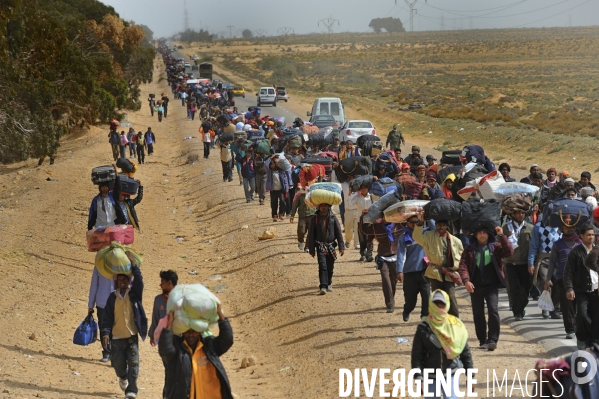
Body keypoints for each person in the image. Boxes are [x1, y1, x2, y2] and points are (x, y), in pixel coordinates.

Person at [158, 305, 233, 399]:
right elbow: (165, 350)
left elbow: (227, 341)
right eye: (187, 331)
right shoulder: (177, 348)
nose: (190, 335)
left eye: (194, 331)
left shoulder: (209, 346)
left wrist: (220, 315)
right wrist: (169, 325)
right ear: (182, 331)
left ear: (199, 331)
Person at [411, 290, 473, 399]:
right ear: (431, 304)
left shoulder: (455, 326)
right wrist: (419, 378)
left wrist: (471, 376)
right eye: (436, 304)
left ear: (447, 304)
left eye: (442, 304)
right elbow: (417, 356)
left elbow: (465, 352)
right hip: (430, 376)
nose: (439, 307)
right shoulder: (423, 329)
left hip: (451, 374)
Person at [459, 226, 513, 351]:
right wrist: (466, 281)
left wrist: (502, 235)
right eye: (479, 233)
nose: (482, 235)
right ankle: (482, 340)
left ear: (489, 235)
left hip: (491, 285)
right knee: (478, 313)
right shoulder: (469, 249)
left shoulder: (496, 247)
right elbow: (463, 266)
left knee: (493, 310)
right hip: (475, 286)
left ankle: (492, 340)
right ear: (475, 235)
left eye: (485, 233)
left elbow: (509, 251)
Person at [101, 258, 147, 399]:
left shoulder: (134, 295)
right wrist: (106, 333)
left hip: (131, 336)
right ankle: (122, 377)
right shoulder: (112, 298)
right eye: (119, 279)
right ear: (116, 281)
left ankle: (131, 390)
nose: (122, 282)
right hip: (116, 338)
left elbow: (139, 281)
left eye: (124, 279)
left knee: (134, 364)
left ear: (128, 281)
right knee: (118, 365)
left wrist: (134, 266)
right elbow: (107, 317)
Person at [413, 217, 463, 318]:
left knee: (451, 296)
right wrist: (420, 224)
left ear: (447, 226)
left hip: (449, 273)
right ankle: (438, 319)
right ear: (435, 225)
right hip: (435, 272)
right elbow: (416, 237)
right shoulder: (428, 236)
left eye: (443, 225)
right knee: (437, 297)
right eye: (439, 225)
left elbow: (462, 259)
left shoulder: (456, 241)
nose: (441, 227)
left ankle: (455, 320)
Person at [564, 224, 599, 349]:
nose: (591, 237)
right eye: (588, 235)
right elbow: (568, 272)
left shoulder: (597, 251)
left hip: (596, 290)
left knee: (596, 317)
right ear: (581, 236)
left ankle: (594, 341)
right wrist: (569, 288)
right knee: (582, 315)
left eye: (593, 235)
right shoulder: (575, 252)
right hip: (581, 290)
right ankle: (582, 338)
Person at [546, 225, 580, 340]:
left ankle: (578, 326)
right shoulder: (557, 244)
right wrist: (548, 279)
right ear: (561, 229)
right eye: (566, 227)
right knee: (566, 306)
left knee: (579, 305)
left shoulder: (581, 243)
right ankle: (570, 329)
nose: (569, 229)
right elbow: (552, 262)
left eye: (572, 227)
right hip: (562, 278)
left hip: (580, 279)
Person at [362, 219, 403, 312]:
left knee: (393, 281)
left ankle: (391, 298)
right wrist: (362, 217)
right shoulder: (376, 226)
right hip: (382, 257)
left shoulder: (398, 224)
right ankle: (389, 303)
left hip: (396, 256)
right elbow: (364, 231)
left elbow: (412, 226)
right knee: (385, 279)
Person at [307, 203, 345, 295]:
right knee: (322, 265)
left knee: (330, 266)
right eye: (321, 206)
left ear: (329, 207)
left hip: (331, 246)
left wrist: (341, 246)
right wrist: (311, 249)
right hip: (320, 246)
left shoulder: (333, 218)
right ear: (318, 207)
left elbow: (338, 233)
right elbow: (311, 235)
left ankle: (329, 283)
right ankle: (323, 286)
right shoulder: (314, 219)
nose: (323, 207)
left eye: (325, 206)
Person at [502, 209, 533, 321]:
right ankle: (517, 312)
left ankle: (522, 306)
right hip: (510, 262)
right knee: (513, 288)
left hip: (525, 263)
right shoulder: (506, 228)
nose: (521, 215)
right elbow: (500, 243)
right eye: (518, 213)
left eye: (522, 213)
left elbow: (533, 246)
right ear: (512, 214)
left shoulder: (530, 228)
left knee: (526, 287)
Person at [528, 218, 561, 318]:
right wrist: (531, 263)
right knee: (544, 280)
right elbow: (533, 246)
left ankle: (555, 309)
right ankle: (545, 307)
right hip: (543, 259)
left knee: (559, 283)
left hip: (558, 259)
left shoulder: (561, 226)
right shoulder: (538, 227)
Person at [88, 266, 115, 362]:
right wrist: (90, 304)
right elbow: (94, 285)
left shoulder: (122, 264)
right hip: (103, 303)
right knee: (104, 328)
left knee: (114, 328)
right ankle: (107, 352)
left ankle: (113, 353)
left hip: (117, 302)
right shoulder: (99, 265)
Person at [149, 270, 178, 347]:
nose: (160, 285)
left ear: (169, 283)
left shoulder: (180, 298)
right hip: (164, 338)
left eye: (162, 282)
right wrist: (152, 335)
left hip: (178, 337)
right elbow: (155, 318)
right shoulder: (158, 300)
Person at [352, 185, 373, 262]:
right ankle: (363, 254)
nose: (364, 189)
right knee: (362, 238)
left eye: (365, 187)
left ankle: (369, 253)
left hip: (370, 220)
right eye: (362, 188)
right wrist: (352, 192)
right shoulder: (357, 197)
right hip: (360, 220)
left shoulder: (371, 196)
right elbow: (350, 203)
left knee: (370, 238)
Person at [265, 157, 290, 221]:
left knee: (282, 201)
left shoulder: (281, 171)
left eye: (273, 164)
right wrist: (270, 158)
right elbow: (265, 164)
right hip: (273, 190)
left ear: (276, 164)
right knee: (274, 203)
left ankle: (281, 214)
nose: (272, 166)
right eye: (271, 165)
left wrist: (286, 189)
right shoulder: (269, 171)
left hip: (281, 189)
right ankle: (274, 215)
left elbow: (285, 180)